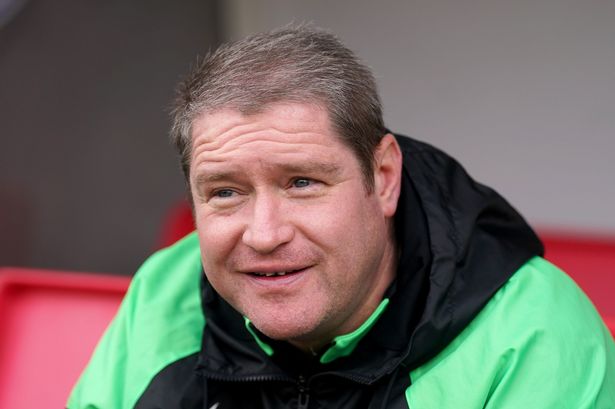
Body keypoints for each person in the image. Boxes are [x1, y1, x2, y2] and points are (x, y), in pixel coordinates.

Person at [68, 25, 615, 408]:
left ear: (384, 177)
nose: (264, 235)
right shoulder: (165, 290)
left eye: (302, 183)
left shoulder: (532, 333)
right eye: (226, 192)